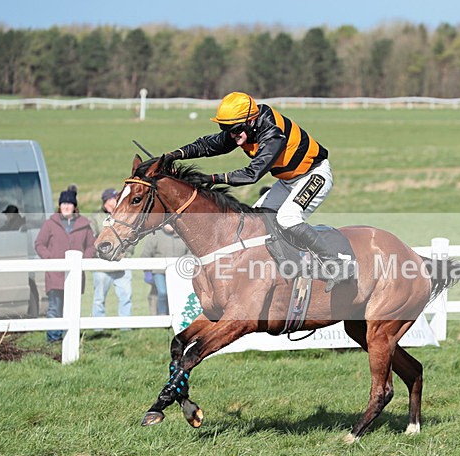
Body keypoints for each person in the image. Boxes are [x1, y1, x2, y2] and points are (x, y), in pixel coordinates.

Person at [161, 91, 353, 285]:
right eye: (225, 128)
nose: (232, 135)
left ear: (251, 121)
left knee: (288, 218)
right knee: (258, 223)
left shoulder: (273, 133)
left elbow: (252, 174)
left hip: (314, 175)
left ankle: (335, 264)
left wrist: (212, 178)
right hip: (288, 181)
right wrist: (175, 154)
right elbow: (208, 145)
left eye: (235, 129)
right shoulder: (244, 128)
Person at [34, 186, 95, 343]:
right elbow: (39, 244)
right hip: (55, 275)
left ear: (75, 206)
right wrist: (50, 259)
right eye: (63, 203)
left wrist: (83, 260)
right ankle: (53, 339)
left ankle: (69, 339)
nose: (66, 206)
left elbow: (92, 246)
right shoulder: (50, 223)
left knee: (72, 309)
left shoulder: (84, 224)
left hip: (75, 276)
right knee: (55, 308)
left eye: (69, 203)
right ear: (59, 206)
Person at [89, 188, 133, 324]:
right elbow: (91, 240)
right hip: (102, 267)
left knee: (126, 297)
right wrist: (103, 254)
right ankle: (98, 327)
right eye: (109, 200)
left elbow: (131, 237)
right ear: (104, 203)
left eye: (114, 200)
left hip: (122, 265)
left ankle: (125, 328)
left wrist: (126, 254)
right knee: (99, 299)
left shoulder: (125, 217)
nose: (112, 203)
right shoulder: (96, 218)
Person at [140, 223, 189, 315]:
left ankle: (177, 315)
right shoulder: (154, 235)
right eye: (167, 223)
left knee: (178, 295)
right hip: (159, 272)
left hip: (178, 273)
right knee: (163, 293)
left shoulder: (183, 236)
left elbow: (190, 253)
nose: (170, 226)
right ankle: (162, 316)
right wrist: (147, 272)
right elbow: (145, 255)